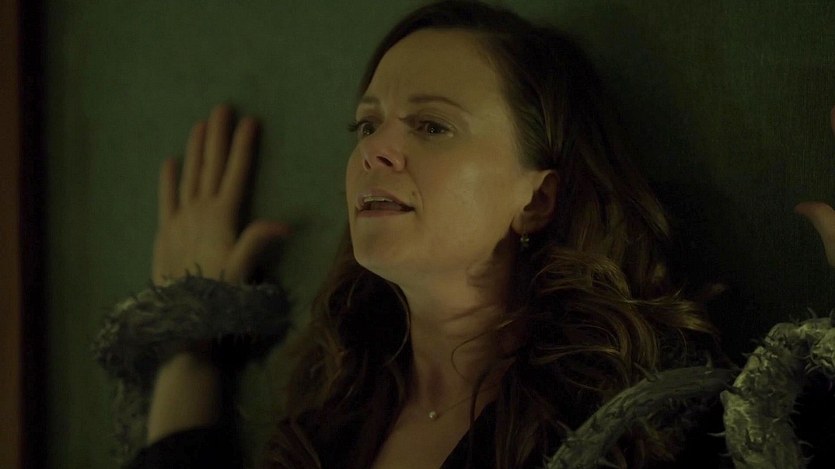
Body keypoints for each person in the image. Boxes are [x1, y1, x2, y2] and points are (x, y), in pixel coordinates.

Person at [95, 1, 835, 468]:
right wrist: (188, 336)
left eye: (431, 125)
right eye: (367, 123)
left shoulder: (645, 424)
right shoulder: (331, 414)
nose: (375, 150)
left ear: (537, 199)